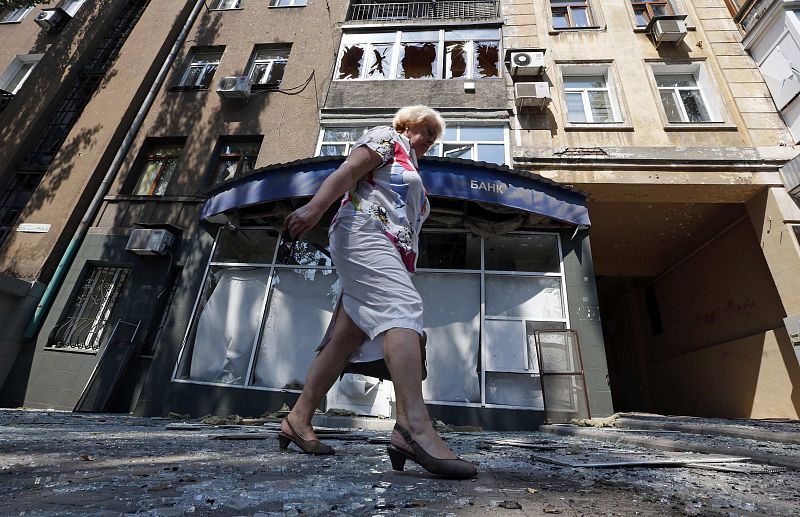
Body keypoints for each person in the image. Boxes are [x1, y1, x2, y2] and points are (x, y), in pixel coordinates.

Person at [279, 105, 477, 479]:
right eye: (427, 129)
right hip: (364, 233)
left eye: (435, 136)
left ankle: (297, 419)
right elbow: (348, 171)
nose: (431, 139)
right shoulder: (386, 137)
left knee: (344, 338)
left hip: (384, 250)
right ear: (407, 123)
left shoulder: (412, 166)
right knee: (404, 309)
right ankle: (412, 428)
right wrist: (315, 208)